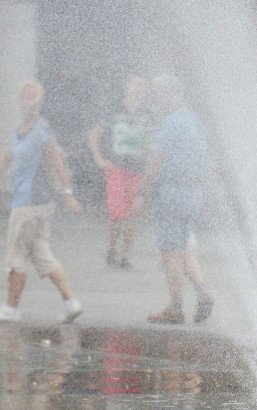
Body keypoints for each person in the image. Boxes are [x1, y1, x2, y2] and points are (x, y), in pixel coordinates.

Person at [0, 80, 84, 324]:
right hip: (29, 203)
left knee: (16, 256)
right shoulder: (20, 128)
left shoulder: (42, 131)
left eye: (32, 97)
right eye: (24, 97)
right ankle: (70, 302)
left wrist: (68, 194)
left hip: (30, 204)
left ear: (40, 101)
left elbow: (58, 162)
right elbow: (7, 155)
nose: (27, 101)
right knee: (42, 255)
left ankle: (11, 308)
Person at [137, 75, 213, 324]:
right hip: (193, 193)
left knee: (170, 251)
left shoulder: (170, 123)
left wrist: (142, 191)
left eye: (157, 94)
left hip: (172, 191)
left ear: (170, 94)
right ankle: (202, 294)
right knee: (182, 247)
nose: (155, 100)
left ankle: (175, 307)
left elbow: (157, 160)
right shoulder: (195, 120)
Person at [87, 75, 153, 268]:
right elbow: (94, 135)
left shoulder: (147, 114)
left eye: (142, 85)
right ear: (127, 87)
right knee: (116, 213)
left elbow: (152, 142)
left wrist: (150, 167)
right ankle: (111, 249)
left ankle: (125, 256)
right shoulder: (115, 109)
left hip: (138, 170)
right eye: (134, 84)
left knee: (133, 213)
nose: (138, 89)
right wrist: (99, 158)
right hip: (117, 168)